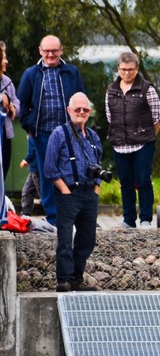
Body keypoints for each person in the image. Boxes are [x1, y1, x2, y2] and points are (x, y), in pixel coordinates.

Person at [18, 35, 86, 225]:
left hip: (69, 133)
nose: (50, 54)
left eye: (54, 51)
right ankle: (54, 219)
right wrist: (29, 127)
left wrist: (80, 126)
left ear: (61, 50)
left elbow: (82, 99)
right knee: (48, 175)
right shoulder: (31, 74)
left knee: (72, 173)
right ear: (40, 51)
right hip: (42, 134)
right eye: (46, 51)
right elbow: (22, 105)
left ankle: (72, 215)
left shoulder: (72, 72)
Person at [44, 93, 103, 292]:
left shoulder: (94, 136)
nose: (81, 112)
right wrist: (65, 190)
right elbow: (50, 167)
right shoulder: (59, 134)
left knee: (87, 238)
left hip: (89, 194)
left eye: (85, 109)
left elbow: (99, 165)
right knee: (65, 239)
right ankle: (64, 280)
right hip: (68, 193)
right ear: (69, 110)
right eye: (77, 109)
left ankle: (77, 278)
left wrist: (96, 189)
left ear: (90, 112)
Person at [105, 52, 160, 229]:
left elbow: (157, 117)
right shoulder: (111, 90)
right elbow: (109, 116)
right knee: (125, 182)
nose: (127, 73)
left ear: (136, 69)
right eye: (123, 70)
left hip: (143, 143)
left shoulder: (147, 89)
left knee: (144, 180)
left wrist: (146, 135)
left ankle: (145, 219)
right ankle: (128, 220)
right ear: (118, 69)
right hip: (119, 144)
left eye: (130, 70)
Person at [0, 41, 20, 181]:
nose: (6, 61)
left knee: (3, 173)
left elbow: (16, 101)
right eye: (3, 58)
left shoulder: (7, 81)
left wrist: (14, 108)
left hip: (5, 136)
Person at [19, 136, 40, 217]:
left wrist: (27, 159)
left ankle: (52, 216)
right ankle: (25, 214)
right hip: (33, 168)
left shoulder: (33, 132)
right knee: (27, 191)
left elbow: (33, 149)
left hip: (37, 168)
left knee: (43, 193)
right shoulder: (31, 133)